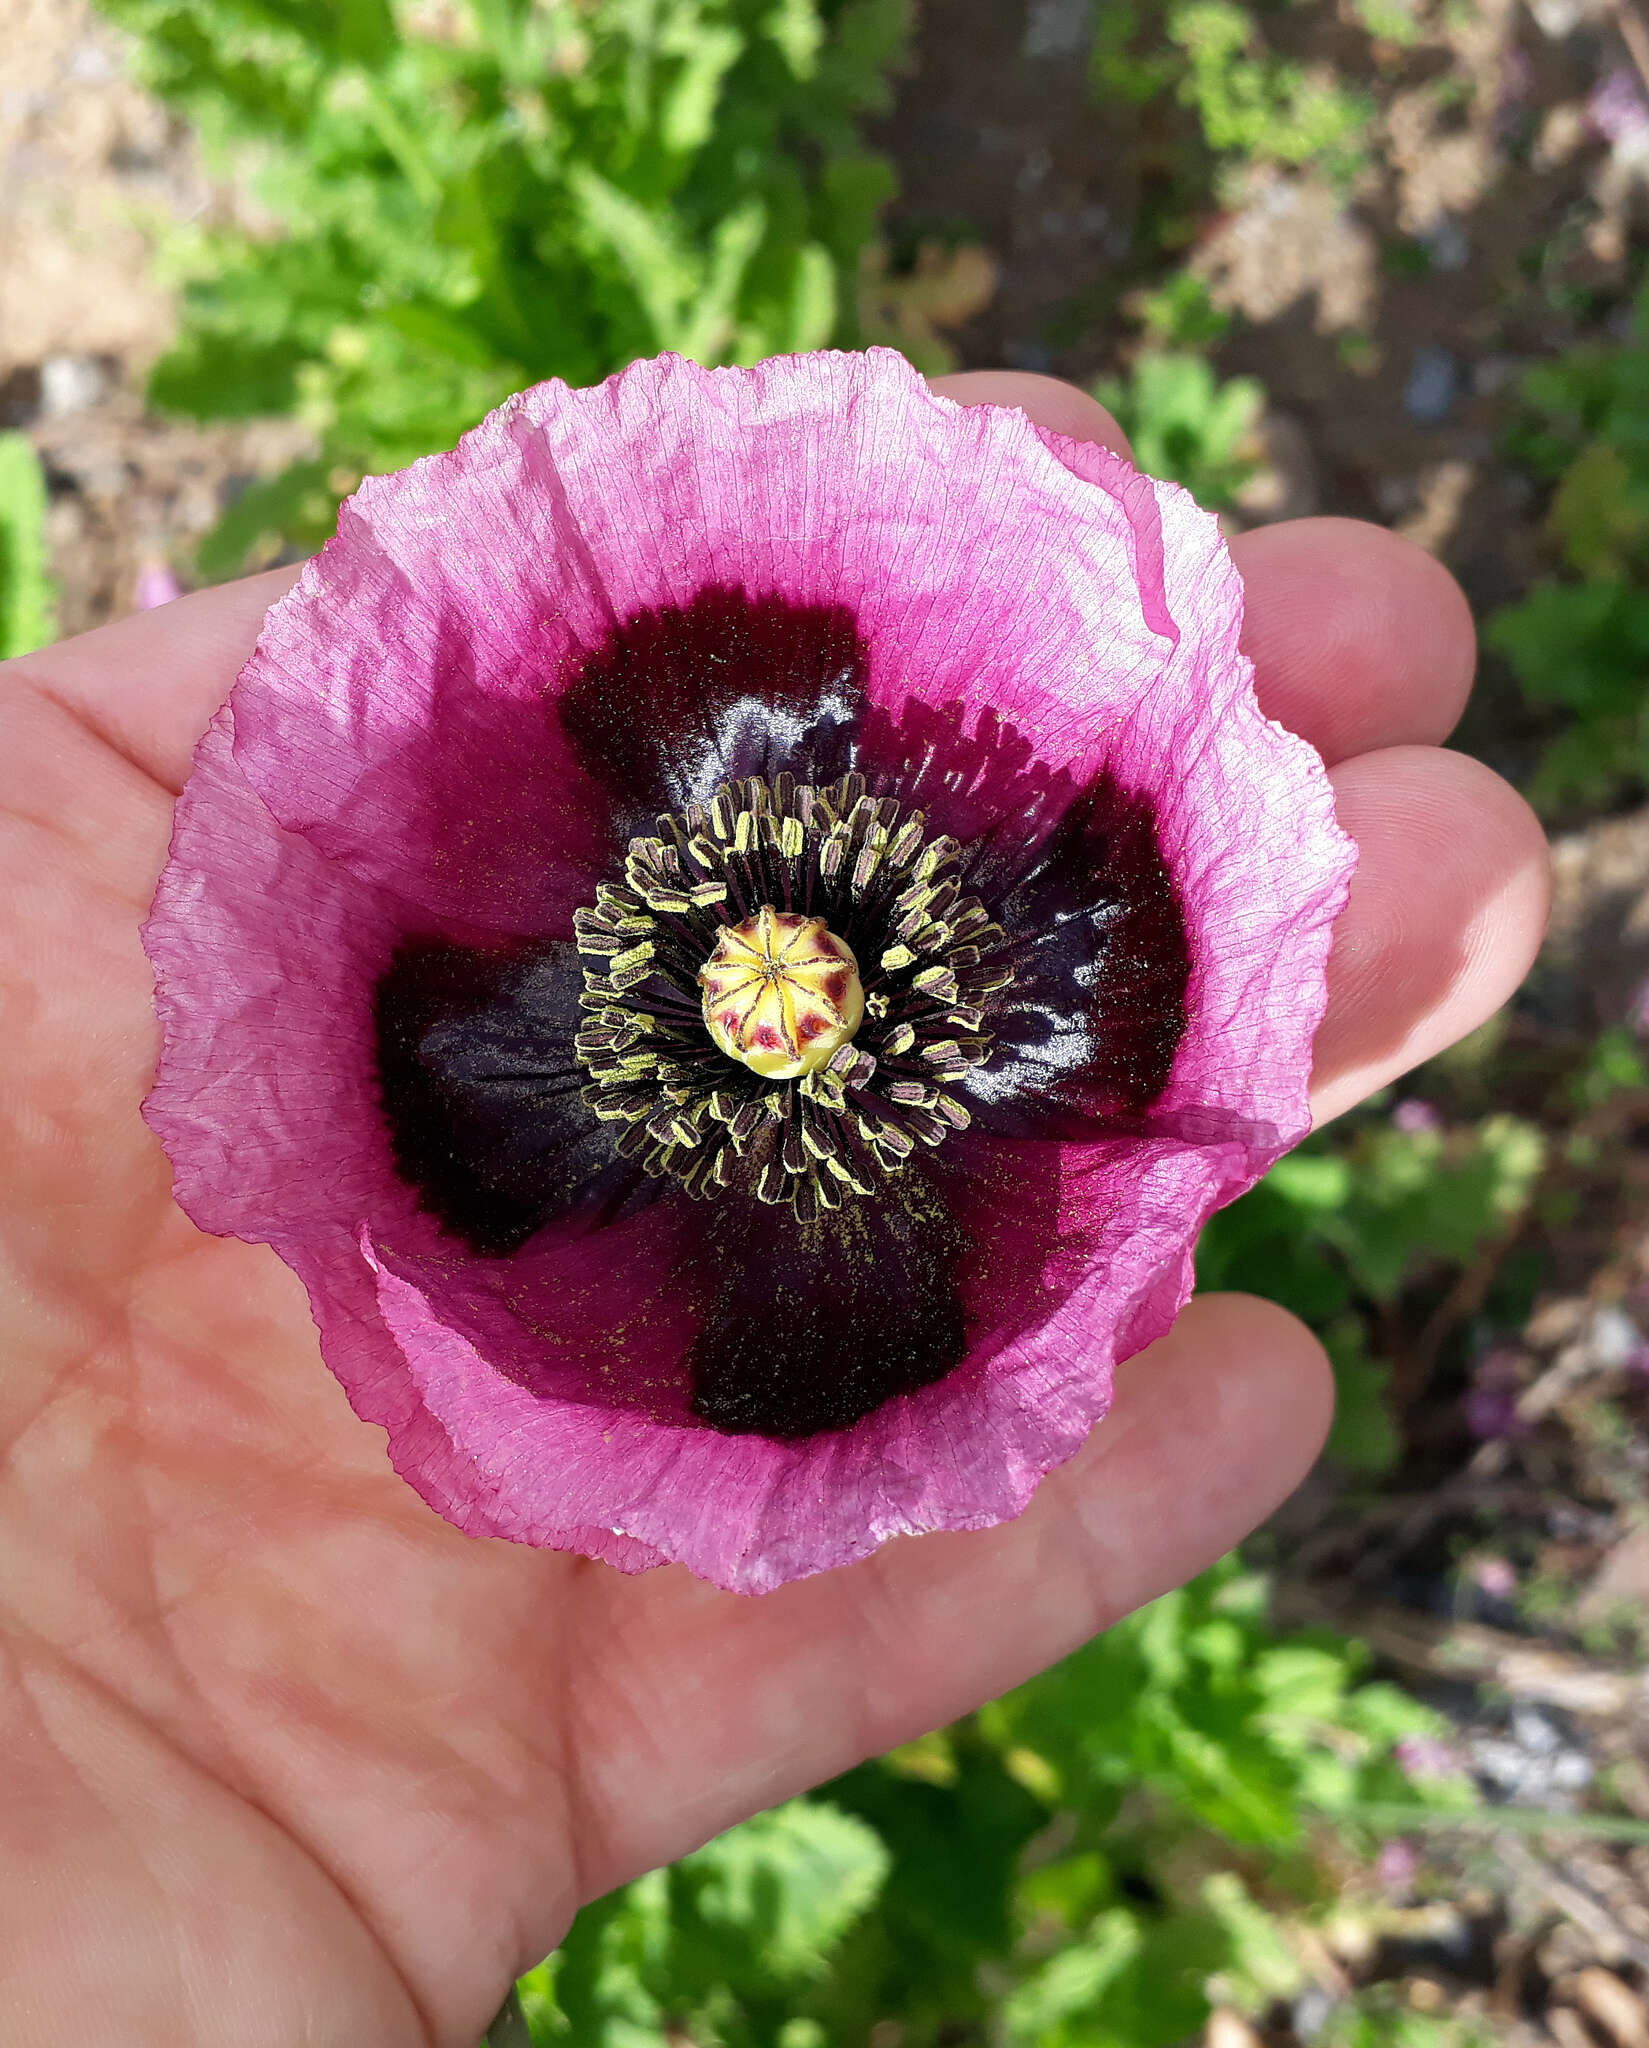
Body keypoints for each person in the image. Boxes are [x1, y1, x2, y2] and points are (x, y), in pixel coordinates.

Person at [0, 371, 1549, 2045]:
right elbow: (566, 557)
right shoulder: (436, 1078)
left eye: (790, 988)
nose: (774, 990)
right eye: (760, 992)